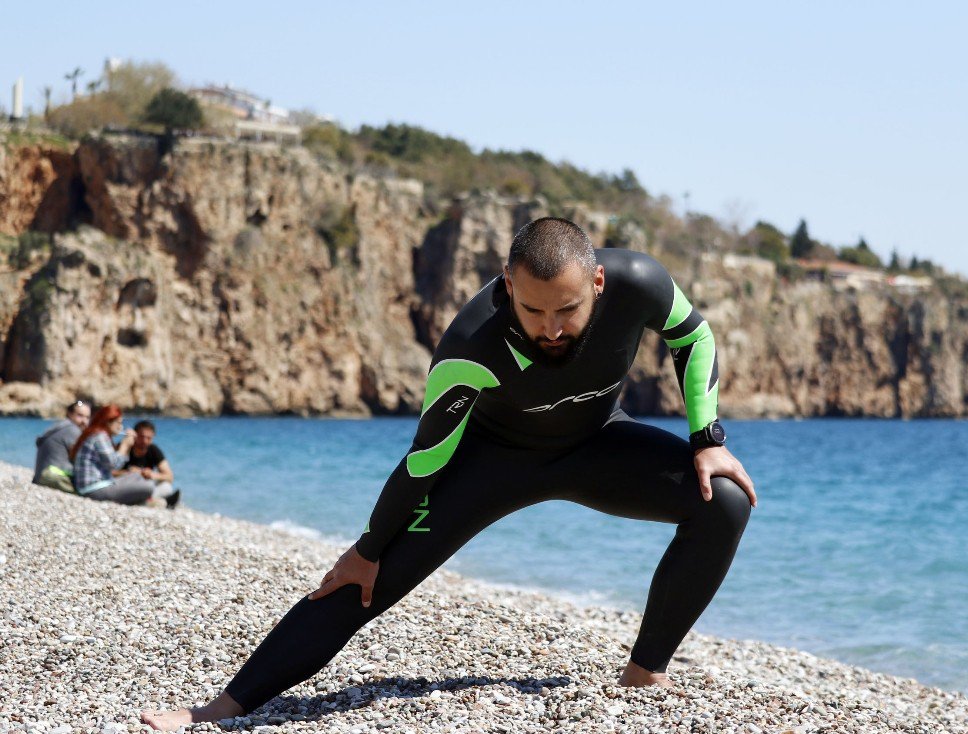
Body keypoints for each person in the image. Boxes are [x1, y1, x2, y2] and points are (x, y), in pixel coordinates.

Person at [142, 217, 757, 729]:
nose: (549, 329)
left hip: (598, 443)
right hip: (496, 463)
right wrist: (367, 547)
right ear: (507, 284)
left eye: (567, 309)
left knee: (723, 499)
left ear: (597, 282)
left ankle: (645, 671)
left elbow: (693, 338)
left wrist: (707, 439)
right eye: (532, 309)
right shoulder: (471, 346)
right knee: (365, 580)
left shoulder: (638, 281)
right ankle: (221, 707)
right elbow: (426, 459)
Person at [70, 404, 156, 505]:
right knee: (149, 485)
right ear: (108, 422)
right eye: (119, 423)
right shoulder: (100, 436)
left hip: (97, 485)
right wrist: (125, 445)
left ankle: (143, 501)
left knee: (138, 476)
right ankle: (147, 502)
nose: (121, 427)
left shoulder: (97, 434)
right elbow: (114, 466)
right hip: (94, 489)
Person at [32, 400, 91, 493]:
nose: (84, 421)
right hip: (53, 477)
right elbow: (82, 460)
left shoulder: (59, 426)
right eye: (80, 415)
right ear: (69, 414)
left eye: (87, 417)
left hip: (41, 476)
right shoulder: (72, 429)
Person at [120, 420, 181, 508]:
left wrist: (152, 475)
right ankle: (154, 502)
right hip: (125, 485)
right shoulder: (125, 447)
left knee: (167, 486)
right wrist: (129, 473)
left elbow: (169, 476)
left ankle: (148, 501)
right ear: (134, 435)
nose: (144, 441)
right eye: (141, 437)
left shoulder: (153, 450)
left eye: (149, 438)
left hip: (145, 487)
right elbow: (109, 473)